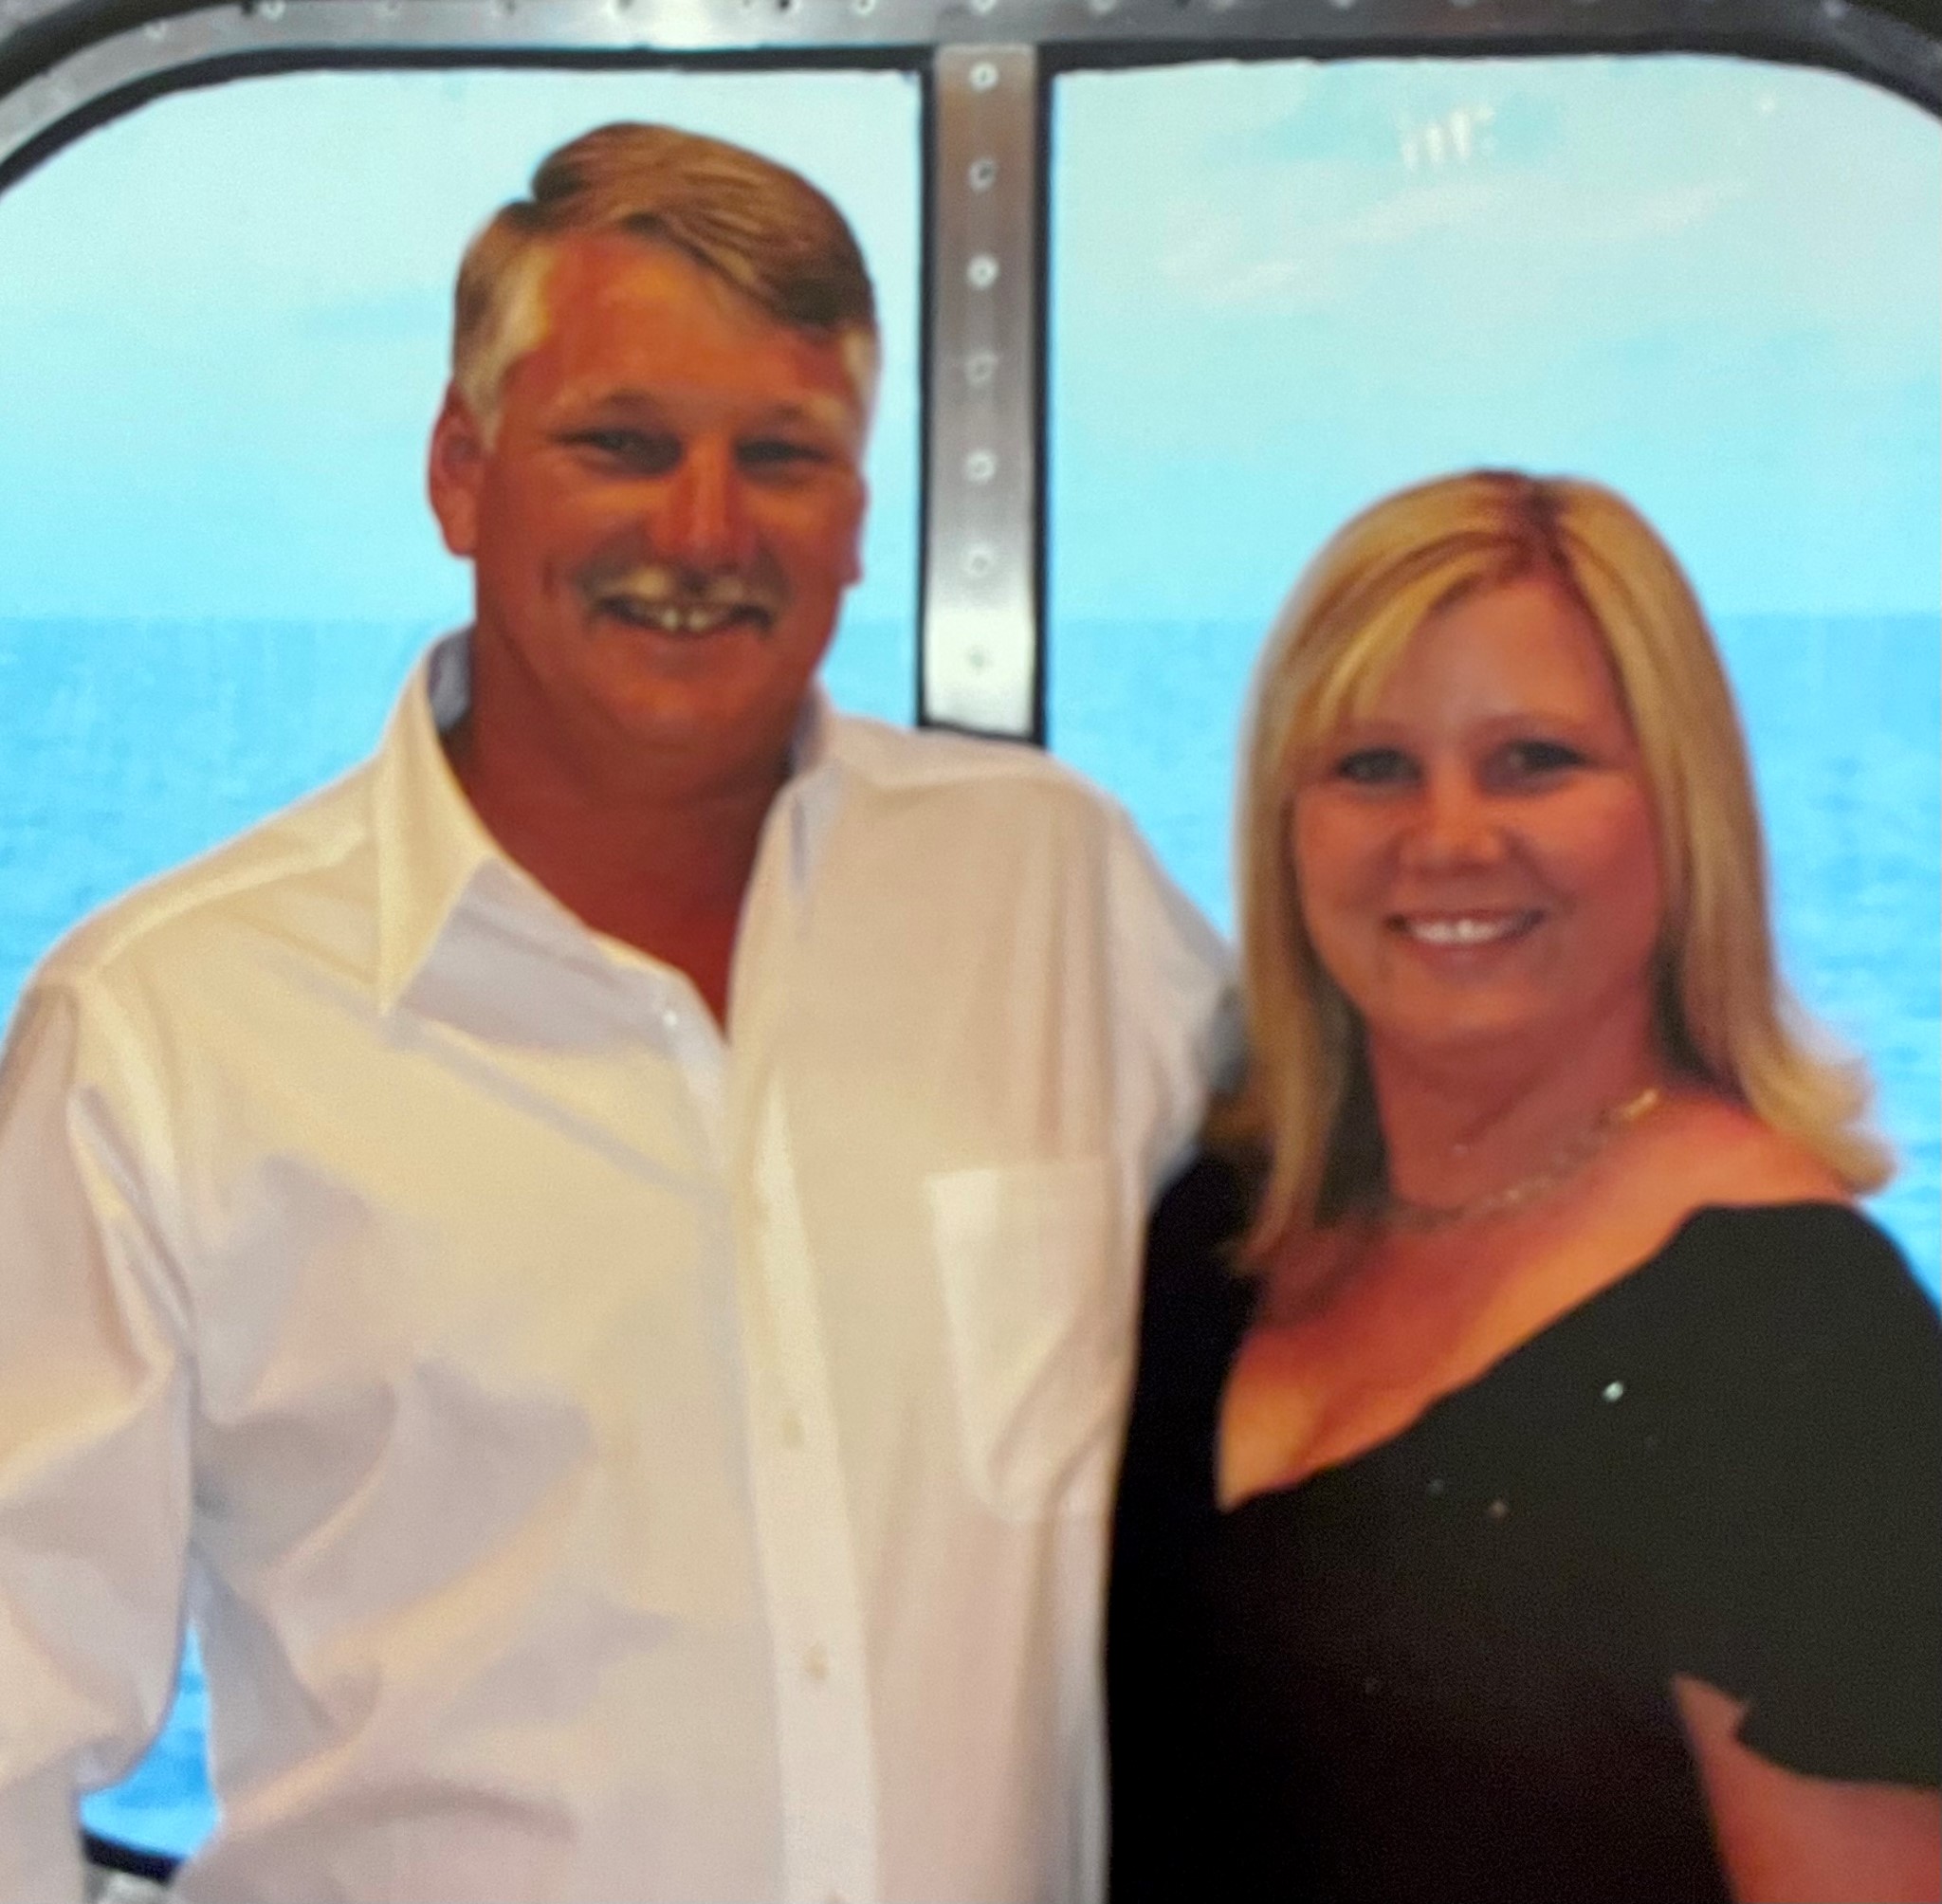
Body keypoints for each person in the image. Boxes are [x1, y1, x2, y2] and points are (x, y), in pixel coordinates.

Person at [0, 123, 1234, 1904]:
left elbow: (1386, 1253)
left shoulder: (1059, 900)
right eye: (624, 444)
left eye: (782, 456)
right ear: (461, 472)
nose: (703, 530)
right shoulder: (164, 1036)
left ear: (858, 517)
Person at [1108, 469, 1940, 1904]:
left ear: (1679, 811)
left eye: (1534, 761)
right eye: (1373, 767)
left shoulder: (1798, 1340)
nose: (1449, 839)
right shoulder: (1212, 1239)